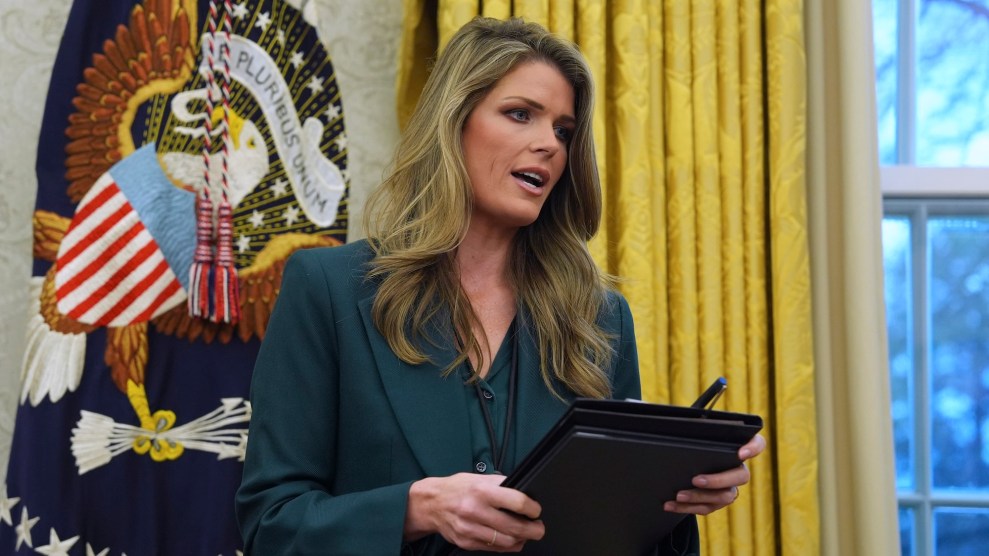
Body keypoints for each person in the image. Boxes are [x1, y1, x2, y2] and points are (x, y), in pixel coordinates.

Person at [235, 16, 765, 555]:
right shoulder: (327, 289)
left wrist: (670, 499)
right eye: (520, 114)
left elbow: (614, 533)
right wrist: (417, 509)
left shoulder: (600, 318)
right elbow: (270, 525)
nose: (549, 144)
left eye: (563, 131)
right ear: (454, 120)